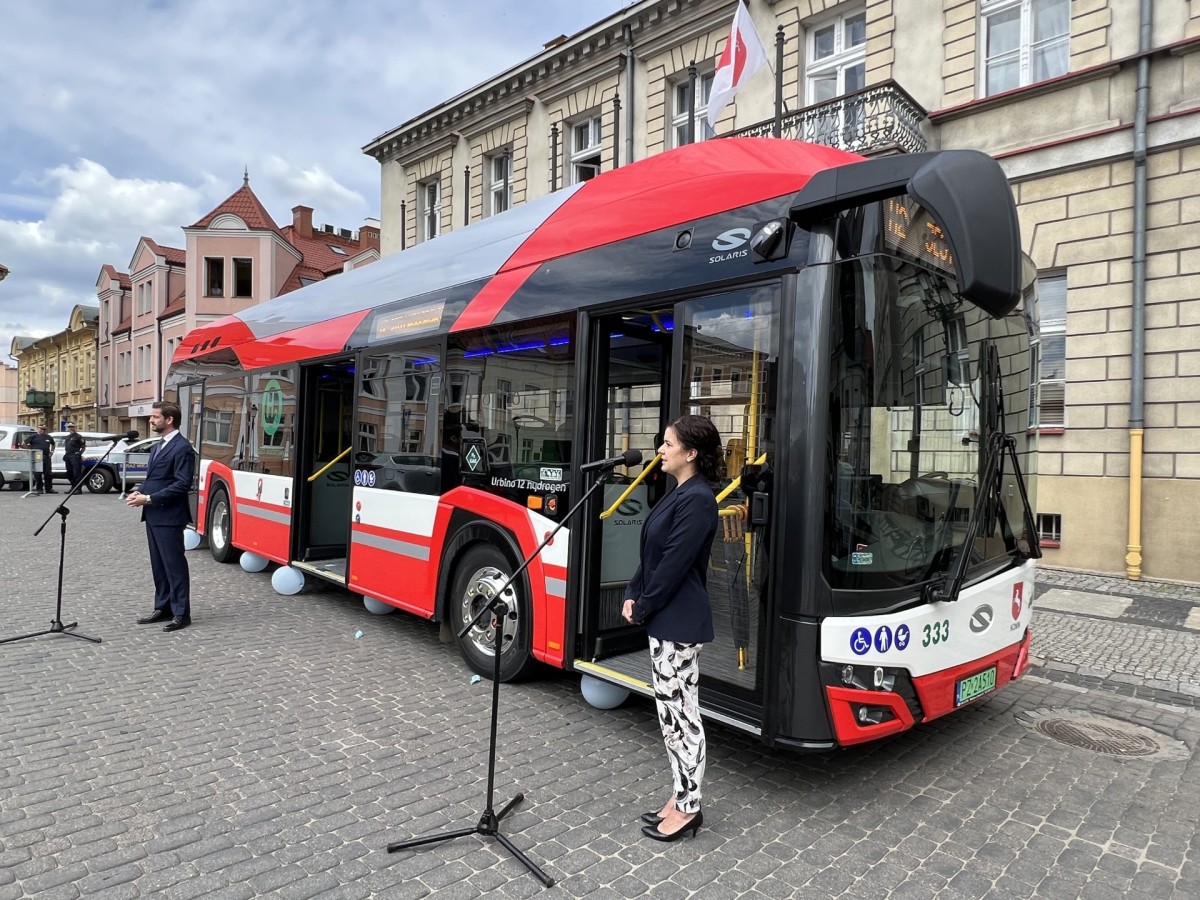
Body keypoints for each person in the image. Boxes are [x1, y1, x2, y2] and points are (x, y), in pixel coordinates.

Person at [622, 414, 722, 843]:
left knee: (680, 715)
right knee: (672, 714)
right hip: (667, 620)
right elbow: (652, 555)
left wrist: (643, 606)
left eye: (668, 444)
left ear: (691, 453)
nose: (660, 450)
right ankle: (682, 794)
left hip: (678, 622)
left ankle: (689, 806)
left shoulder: (698, 499)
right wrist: (631, 591)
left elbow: (674, 566)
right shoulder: (679, 493)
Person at [126, 401, 195, 632]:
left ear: (169, 420)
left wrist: (149, 498)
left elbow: (182, 484)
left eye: (155, 417)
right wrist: (140, 490)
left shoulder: (182, 447)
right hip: (154, 514)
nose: (151, 420)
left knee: (174, 565)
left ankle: (181, 613)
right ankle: (163, 606)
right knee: (159, 565)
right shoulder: (158, 446)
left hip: (169, 515)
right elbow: (156, 478)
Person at [26, 426, 56, 493]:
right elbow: (24, 444)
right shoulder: (33, 436)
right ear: (38, 429)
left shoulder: (48, 437)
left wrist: (51, 452)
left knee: (48, 473)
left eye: (44, 429)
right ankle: (39, 489)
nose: (43, 430)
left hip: (46, 457)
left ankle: (49, 489)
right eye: (41, 429)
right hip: (37, 456)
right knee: (38, 473)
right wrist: (31, 450)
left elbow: (53, 444)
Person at [63, 423, 86, 489]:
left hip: (75, 456)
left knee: (76, 473)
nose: (70, 428)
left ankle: (78, 489)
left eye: (72, 427)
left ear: (75, 427)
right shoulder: (67, 436)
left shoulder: (78, 436)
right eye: (69, 427)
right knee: (69, 473)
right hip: (68, 455)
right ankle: (73, 487)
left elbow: (83, 447)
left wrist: (79, 453)